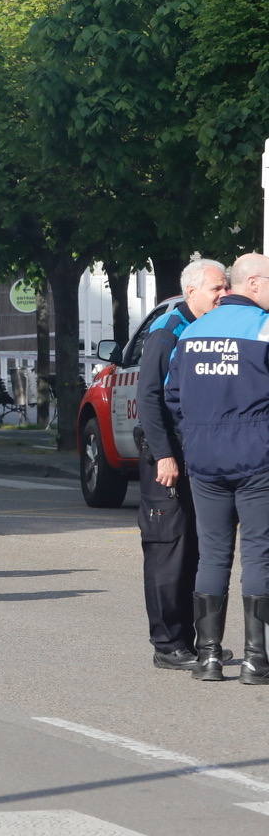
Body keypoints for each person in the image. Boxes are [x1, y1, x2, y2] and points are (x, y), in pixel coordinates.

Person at [166, 252, 269, 682]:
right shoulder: (264, 329)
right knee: (259, 552)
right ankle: (255, 659)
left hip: (205, 459)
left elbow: (173, 396)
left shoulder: (192, 332)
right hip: (257, 457)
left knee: (213, 554)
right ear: (255, 284)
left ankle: (208, 657)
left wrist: (194, 438)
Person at [136, 259, 228, 671]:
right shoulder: (167, 331)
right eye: (216, 289)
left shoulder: (207, 329)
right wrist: (164, 454)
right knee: (168, 549)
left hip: (197, 455)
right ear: (191, 292)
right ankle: (168, 644)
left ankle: (192, 642)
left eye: (226, 287)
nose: (224, 294)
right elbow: (150, 397)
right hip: (168, 458)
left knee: (193, 549)